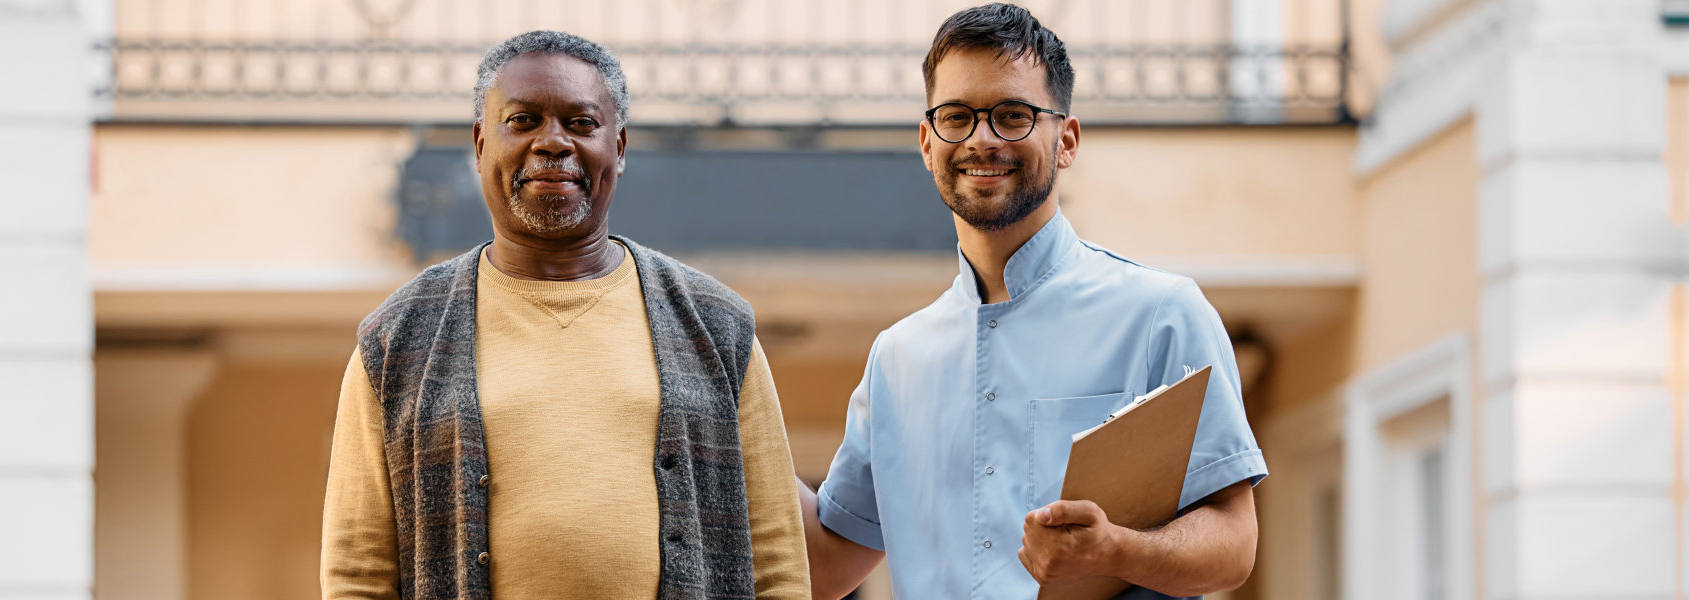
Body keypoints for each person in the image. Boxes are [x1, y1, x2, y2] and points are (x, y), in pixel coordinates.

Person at [797, 4, 1267, 599]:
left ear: (1066, 140)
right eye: (957, 116)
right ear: (926, 141)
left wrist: (1115, 550)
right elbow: (827, 568)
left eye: (1013, 115)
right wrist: (726, 402)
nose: (982, 139)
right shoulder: (895, 360)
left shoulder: (1161, 315)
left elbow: (1233, 543)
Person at [320, 30, 810, 600]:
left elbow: (777, 558)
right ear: (480, 144)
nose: (552, 143)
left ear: (619, 148)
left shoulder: (716, 327)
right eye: (523, 121)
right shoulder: (396, 341)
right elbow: (357, 572)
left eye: (580, 123)